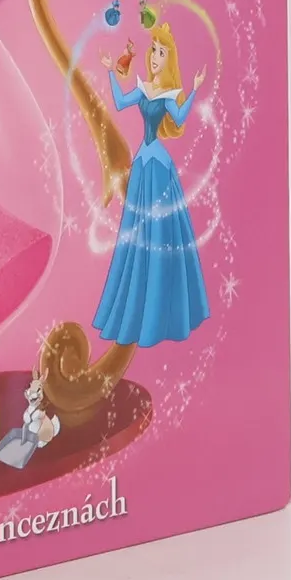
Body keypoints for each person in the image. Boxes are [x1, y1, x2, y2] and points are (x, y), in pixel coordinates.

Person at [91, 23, 211, 348]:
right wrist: (110, 71)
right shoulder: (144, 90)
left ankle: (159, 311)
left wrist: (194, 88)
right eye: (154, 51)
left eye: (161, 53)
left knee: (160, 233)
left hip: (157, 164)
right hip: (143, 163)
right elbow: (119, 102)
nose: (155, 57)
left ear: (168, 59)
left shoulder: (168, 95)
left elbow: (180, 118)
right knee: (136, 232)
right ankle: (137, 302)